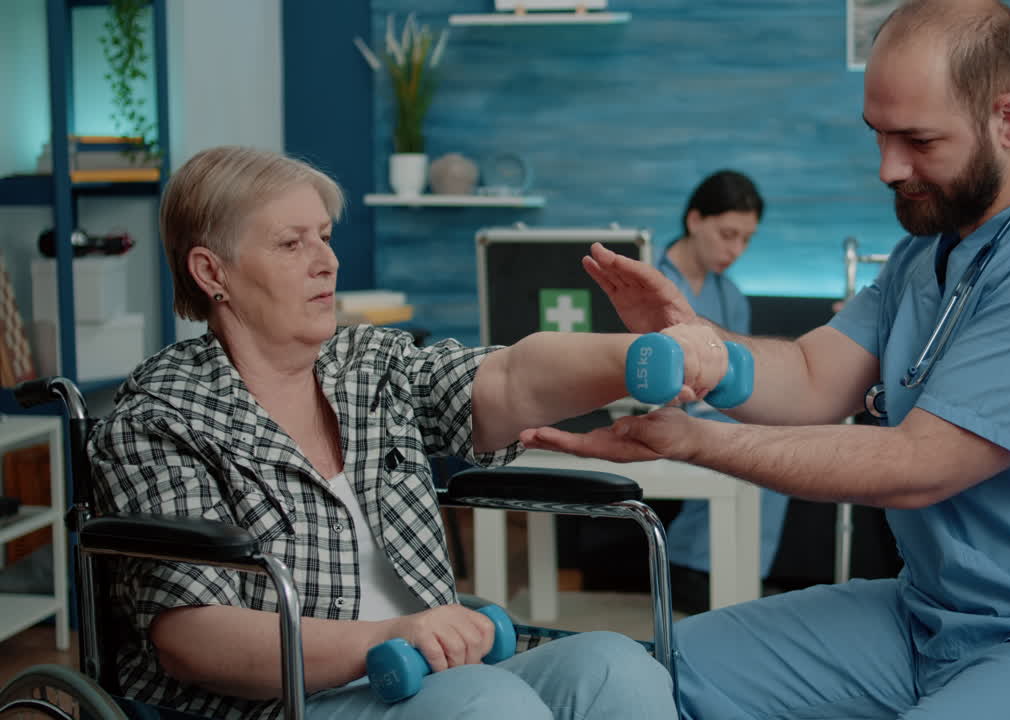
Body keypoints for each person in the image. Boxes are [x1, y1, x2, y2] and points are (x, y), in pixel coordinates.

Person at [521, 2, 1010, 718]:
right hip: (932, 616)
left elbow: (918, 468)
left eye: (917, 140)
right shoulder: (929, 247)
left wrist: (698, 441)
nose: (888, 168)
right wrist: (706, 349)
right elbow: (816, 376)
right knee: (651, 677)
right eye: (877, 135)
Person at [86, 146, 716, 720]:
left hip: (428, 678)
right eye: (291, 244)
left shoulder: (369, 364)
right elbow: (195, 640)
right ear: (210, 270)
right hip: (286, 705)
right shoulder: (160, 419)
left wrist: (645, 355)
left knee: (615, 667)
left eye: (326, 238)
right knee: (489, 705)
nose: (326, 261)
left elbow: (510, 380)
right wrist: (384, 639)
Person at [655, 169, 790, 614]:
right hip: (652, 404)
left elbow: (735, 378)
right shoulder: (647, 276)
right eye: (728, 234)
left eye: (746, 240)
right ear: (695, 220)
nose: (735, 250)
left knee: (778, 445)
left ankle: (739, 577)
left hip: (710, 409)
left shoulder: (731, 297)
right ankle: (691, 569)